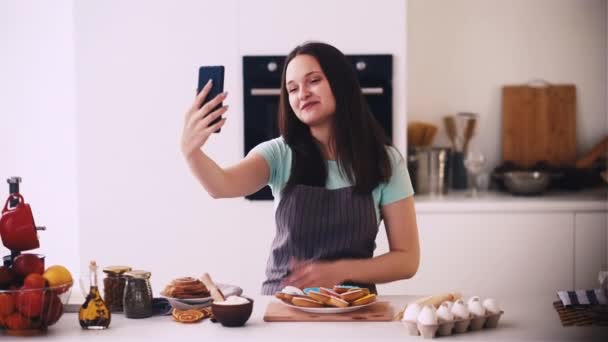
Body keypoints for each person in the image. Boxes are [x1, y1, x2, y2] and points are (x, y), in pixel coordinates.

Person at [181, 41, 420, 295]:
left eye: (313, 80)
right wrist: (191, 152)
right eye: (292, 88)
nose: (302, 93)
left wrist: (340, 271)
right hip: (284, 304)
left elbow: (407, 259)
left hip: (353, 308)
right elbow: (221, 185)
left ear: (340, 83)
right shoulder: (278, 154)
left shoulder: (385, 160)